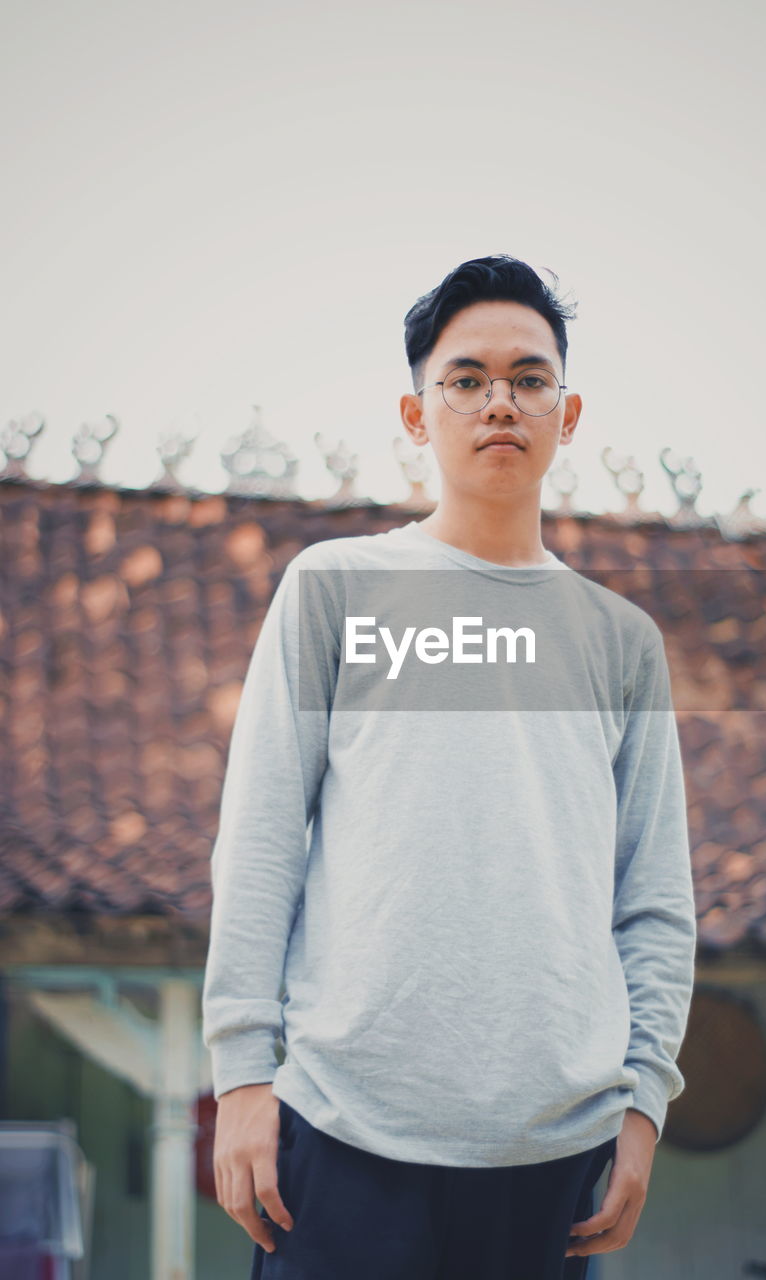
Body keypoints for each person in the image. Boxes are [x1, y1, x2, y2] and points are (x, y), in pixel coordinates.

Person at [201, 253, 698, 1279]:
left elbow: (652, 897)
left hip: (555, 1152)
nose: (498, 402)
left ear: (567, 413)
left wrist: (643, 1100)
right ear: (416, 412)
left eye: (529, 376)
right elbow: (259, 841)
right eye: (465, 378)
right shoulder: (334, 590)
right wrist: (243, 1071)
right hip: (341, 1134)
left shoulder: (620, 640)